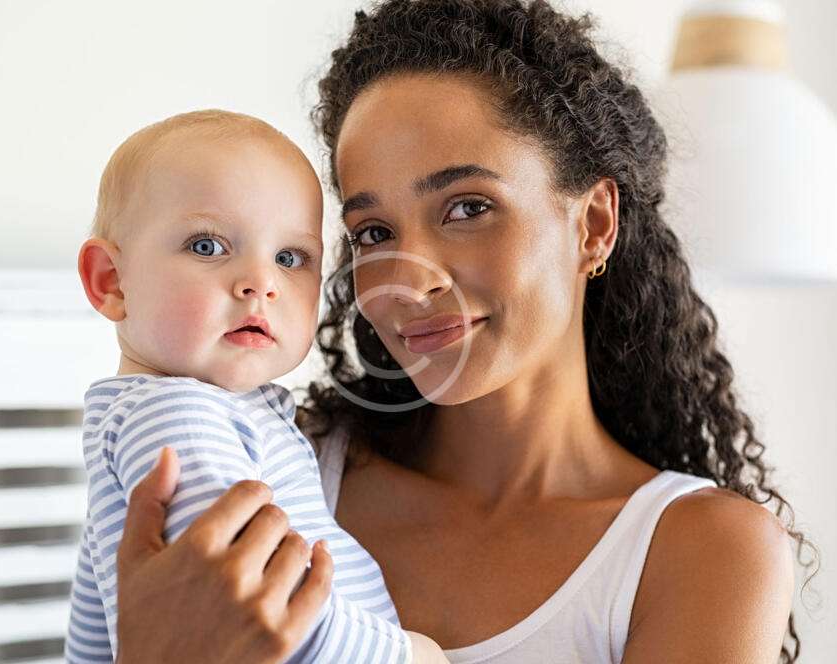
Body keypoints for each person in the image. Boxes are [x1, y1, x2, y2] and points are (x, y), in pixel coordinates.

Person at [108, 1, 813, 662]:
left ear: (594, 223)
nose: (409, 281)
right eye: (374, 232)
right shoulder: (266, 470)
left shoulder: (703, 550)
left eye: (468, 208)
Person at [65, 109, 449, 663]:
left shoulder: (178, 417)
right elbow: (245, 599)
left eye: (290, 258)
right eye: (207, 246)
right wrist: (404, 655)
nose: (261, 283)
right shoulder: (176, 415)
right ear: (112, 281)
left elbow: (93, 632)